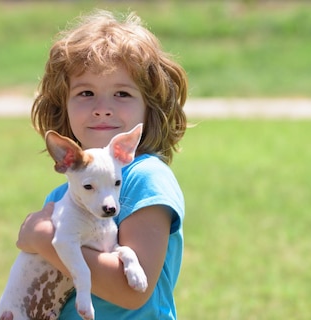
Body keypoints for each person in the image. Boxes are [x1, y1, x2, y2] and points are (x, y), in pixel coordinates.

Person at [16, 9, 188, 319]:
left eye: (122, 93)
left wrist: (44, 239)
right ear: (63, 104)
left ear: (151, 107)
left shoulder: (146, 177)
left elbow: (129, 291)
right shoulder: (63, 195)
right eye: (86, 93)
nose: (102, 109)